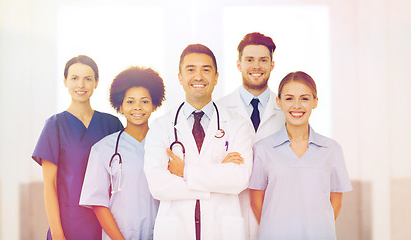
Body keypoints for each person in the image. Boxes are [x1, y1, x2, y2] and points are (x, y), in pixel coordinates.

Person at [144, 44, 253, 240]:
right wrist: (218, 176)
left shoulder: (238, 125)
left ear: (216, 77)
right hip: (176, 230)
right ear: (180, 77)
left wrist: (185, 171)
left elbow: (239, 179)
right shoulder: (161, 126)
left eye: (206, 70)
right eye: (191, 69)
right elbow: (158, 185)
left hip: (222, 229)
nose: (198, 76)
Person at [249, 71, 352, 240]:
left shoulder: (332, 149)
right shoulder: (263, 149)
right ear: (279, 102)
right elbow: (255, 202)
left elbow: (336, 202)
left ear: (315, 102)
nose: (296, 105)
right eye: (289, 98)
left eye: (304, 98)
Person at [32, 55, 123, 240]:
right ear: (65, 81)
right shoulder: (55, 125)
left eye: (88, 79)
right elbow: (50, 185)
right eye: (74, 78)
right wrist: (57, 233)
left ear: (96, 83)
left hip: (106, 222)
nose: (81, 85)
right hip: (67, 224)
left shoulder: (111, 124)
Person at [79, 66, 165, 240]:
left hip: (163, 233)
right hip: (119, 235)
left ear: (155, 104)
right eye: (130, 101)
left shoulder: (165, 144)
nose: (138, 107)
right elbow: (98, 204)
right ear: (120, 105)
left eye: (145, 101)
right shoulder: (103, 149)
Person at [217, 32, 285, 240]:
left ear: (272, 65)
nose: (256, 66)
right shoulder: (218, 110)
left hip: (275, 206)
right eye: (249, 60)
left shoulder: (286, 110)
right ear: (239, 64)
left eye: (263, 60)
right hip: (230, 208)